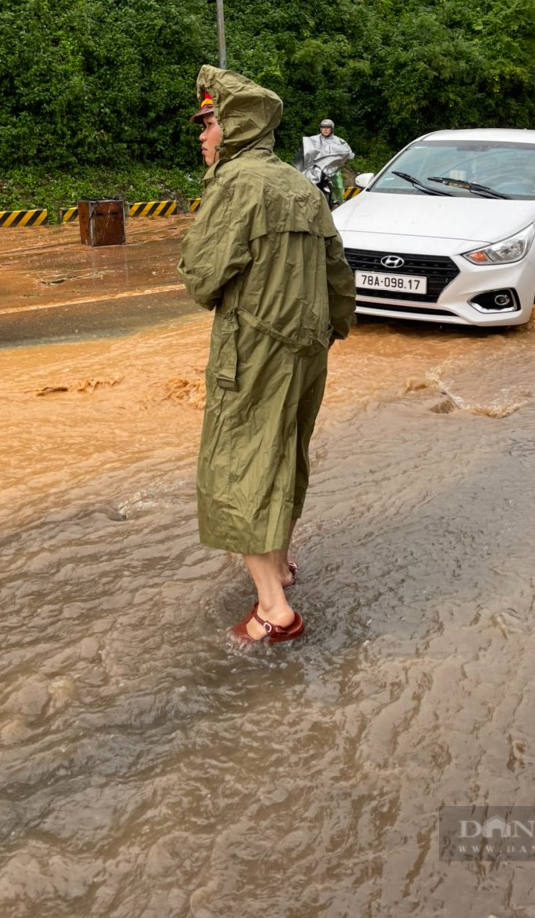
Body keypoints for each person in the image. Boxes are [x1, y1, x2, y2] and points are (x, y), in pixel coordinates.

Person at [178, 66, 356, 646]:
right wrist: (332, 331)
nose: (201, 136)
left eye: (206, 124)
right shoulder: (301, 184)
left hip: (254, 351)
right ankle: (279, 567)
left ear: (231, 127)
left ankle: (273, 609)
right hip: (308, 350)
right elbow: (339, 279)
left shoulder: (235, 186)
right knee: (283, 455)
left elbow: (204, 280)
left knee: (240, 462)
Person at [298, 119, 354, 205]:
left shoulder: (338, 141)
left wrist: (347, 155)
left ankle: (340, 202)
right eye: (323, 127)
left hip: (333, 167)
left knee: (338, 184)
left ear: (332, 129)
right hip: (316, 166)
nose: (325, 129)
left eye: (328, 127)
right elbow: (306, 149)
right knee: (306, 180)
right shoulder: (314, 139)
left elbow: (349, 152)